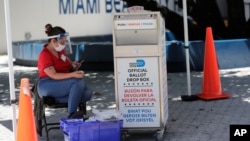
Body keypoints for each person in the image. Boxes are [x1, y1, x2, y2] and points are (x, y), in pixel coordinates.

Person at [37, 23, 99, 118]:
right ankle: (72, 114)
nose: (64, 45)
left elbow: (68, 64)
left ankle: (55, 100)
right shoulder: (44, 55)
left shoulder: (60, 51)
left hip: (62, 84)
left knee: (87, 93)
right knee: (77, 82)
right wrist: (73, 74)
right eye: (62, 43)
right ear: (53, 41)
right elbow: (53, 75)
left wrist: (73, 66)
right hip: (47, 85)